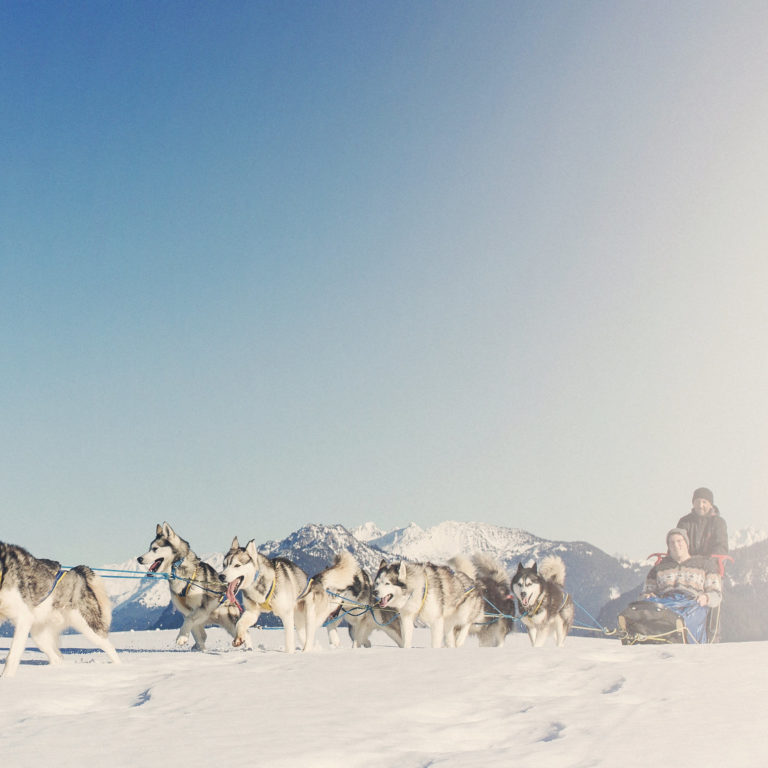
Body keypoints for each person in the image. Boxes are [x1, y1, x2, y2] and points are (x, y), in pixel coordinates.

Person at [636, 528, 722, 642]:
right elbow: (645, 593)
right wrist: (646, 596)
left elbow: (716, 594)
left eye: (679, 541)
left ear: (686, 543)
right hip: (665, 602)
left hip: (692, 602)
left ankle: (673, 631)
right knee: (648, 608)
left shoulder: (704, 565)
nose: (676, 545)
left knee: (682, 618)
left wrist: (706, 598)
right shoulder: (658, 569)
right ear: (668, 547)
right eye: (672, 542)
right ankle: (636, 629)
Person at [676, 487, 728, 557]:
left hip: (709, 564)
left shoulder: (718, 523)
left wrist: (708, 561)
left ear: (710, 505)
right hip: (686, 563)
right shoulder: (685, 522)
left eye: (704, 502)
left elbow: (721, 547)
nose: (700, 506)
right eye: (697, 502)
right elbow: (676, 543)